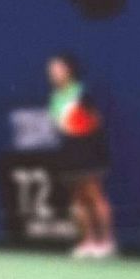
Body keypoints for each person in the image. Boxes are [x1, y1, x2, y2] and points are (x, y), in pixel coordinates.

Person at [46, 54, 115, 258]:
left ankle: (106, 242)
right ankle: (87, 242)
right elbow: (59, 126)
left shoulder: (83, 92)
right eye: (51, 71)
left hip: (87, 149)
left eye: (57, 69)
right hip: (69, 151)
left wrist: (82, 129)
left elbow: (95, 120)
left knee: (94, 194)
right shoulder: (55, 97)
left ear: (68, 70)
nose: (52, 74)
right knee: (76, 198)